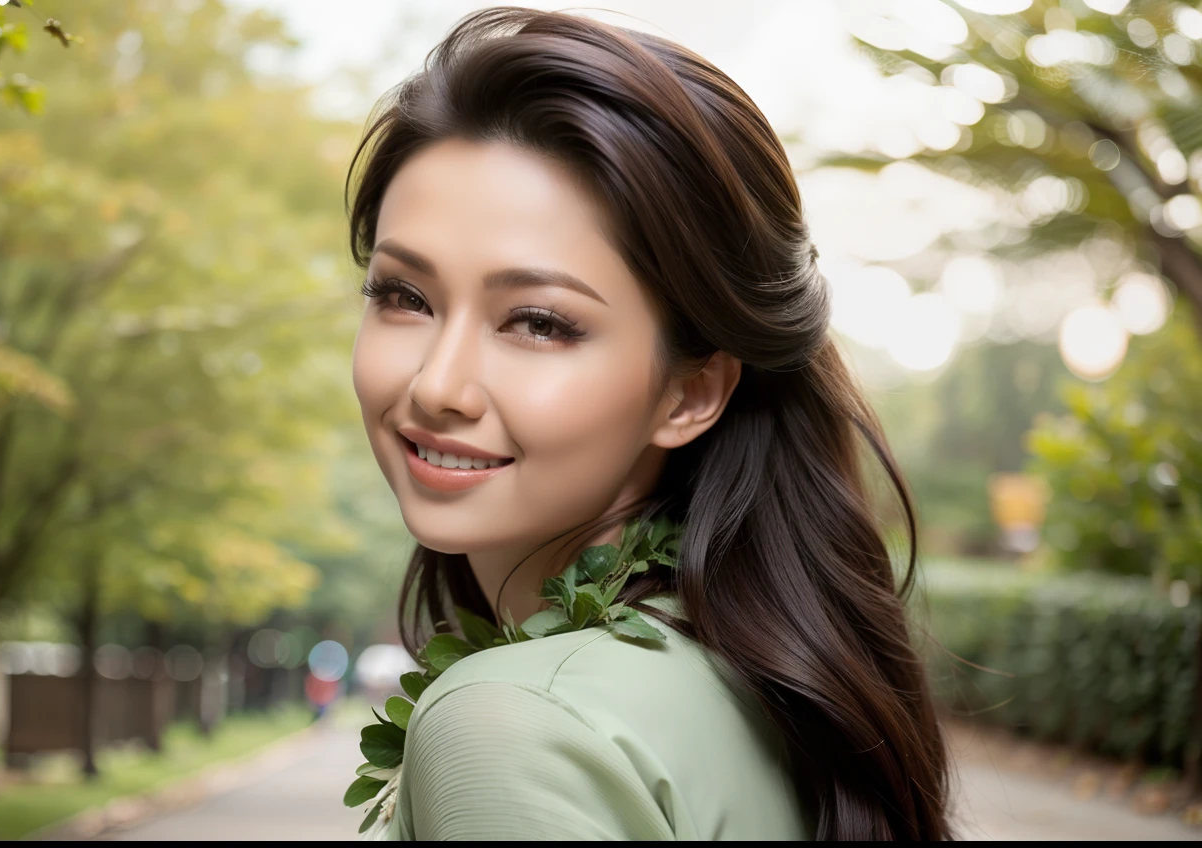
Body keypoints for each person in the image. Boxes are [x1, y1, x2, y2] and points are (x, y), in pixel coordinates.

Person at [344, 6, 953, 841]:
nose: (438, 385)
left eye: (539, 322)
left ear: (691, 392)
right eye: (403, 297)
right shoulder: (753, 688)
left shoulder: (512, 726)